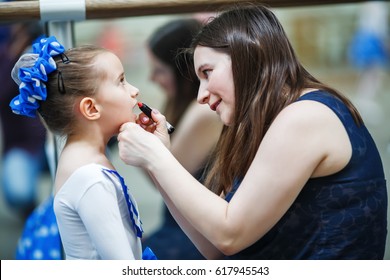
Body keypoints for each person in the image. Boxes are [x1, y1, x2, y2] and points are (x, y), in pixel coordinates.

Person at [117, 3, 388, 259]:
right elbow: (214, 247)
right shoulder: (264, 122)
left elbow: (229, 235)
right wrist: (161, 157)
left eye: (208, 72)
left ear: (248, 56)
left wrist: (157, 158)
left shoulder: (305, 117)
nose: (200, 96)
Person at [10, 36, 155, 260]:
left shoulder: (81, 158)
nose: (134, 90)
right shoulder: (91, 179)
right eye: (122, 81)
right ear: (90, 108)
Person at [142, 18, 222, 259]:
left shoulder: (204, 113)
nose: (151, 79)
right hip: (183, 224)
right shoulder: (183, 105)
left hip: (194, 234)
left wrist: (128, 140)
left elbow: (164, 177)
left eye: (159, 70)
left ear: (183, 72)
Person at [0, 22, 48, 219]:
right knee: (19, 193)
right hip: (22, 146)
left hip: (55, 138)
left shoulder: (50, 51)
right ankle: (31, 216)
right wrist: (14, 57)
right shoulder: (5, 55)